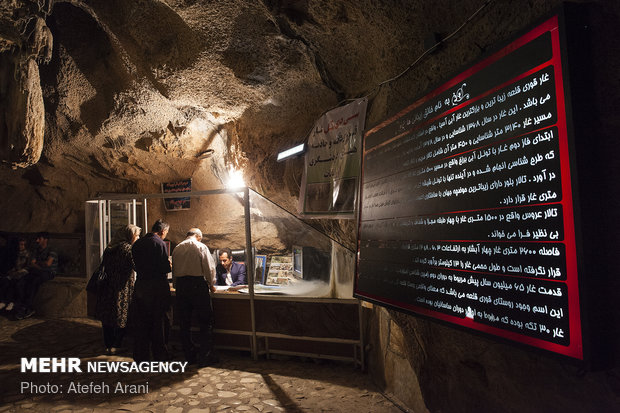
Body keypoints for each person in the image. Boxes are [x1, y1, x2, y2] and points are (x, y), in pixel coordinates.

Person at [172, 228, 218, 366]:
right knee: (205, 322)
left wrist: (176, 285)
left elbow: (174, 270)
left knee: (184, 323)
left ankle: (189, 355)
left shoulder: (177, 249)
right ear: (198, 236)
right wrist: (211, 284)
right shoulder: (201, 246)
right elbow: (209, 268)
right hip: (197, 286)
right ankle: (204, 356)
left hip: (181, 287)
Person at [95, 224, 141, 354]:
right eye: (136, 235)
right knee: (121, 316)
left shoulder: (110, 248)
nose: (137, 238)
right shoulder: (127, 249)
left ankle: (108, 343)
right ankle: (116, 345)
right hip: (122, 288)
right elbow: (137, 266)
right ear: (129, 236)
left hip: (107, 286)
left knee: (107, 317)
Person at [130, 219, 171, 362]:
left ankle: (141, 356)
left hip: (141, 286)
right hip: (157, 287)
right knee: (158, 323)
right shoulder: (159, 243)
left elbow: (135, 264)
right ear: (163, 231)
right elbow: (164, 267)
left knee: (141, 324)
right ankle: (160, 356)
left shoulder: (137, 244)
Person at [14, 232, 58, 319]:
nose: (37, 240)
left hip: (49, 273)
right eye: (37, 239)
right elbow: (32, 263)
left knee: (34, 282)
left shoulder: (52, 250)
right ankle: (23, 307)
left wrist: (37, 264)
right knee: (21, 281)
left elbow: (48, 264)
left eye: (39, 239)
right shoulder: (36, 250)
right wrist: (40, 265)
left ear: (45, 240)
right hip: (37, 271)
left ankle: (27, 308)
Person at [0, 237, 30, 312]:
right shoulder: (15, 253)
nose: (21, 246)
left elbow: (28, 266)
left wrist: (17, 272)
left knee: (16, 283)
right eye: (20, 244)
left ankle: (13, 302)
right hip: (15, 272)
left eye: (23, 245)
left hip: (24, 273)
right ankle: (4, 301)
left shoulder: (28, 254)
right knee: (5, 280)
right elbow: (14, 265)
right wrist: (11, 271)